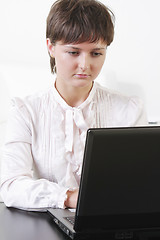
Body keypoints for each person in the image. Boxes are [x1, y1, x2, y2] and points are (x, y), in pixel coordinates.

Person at [0, 0, 147, 211]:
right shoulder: (25, 111)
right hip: (46, 223)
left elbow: (141, 182)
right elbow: (11, 186)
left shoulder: (129, 109)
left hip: (111, 220)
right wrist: (69, 197)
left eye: (96, 53)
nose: (85, 65)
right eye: (73, 52)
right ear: (51, 47)